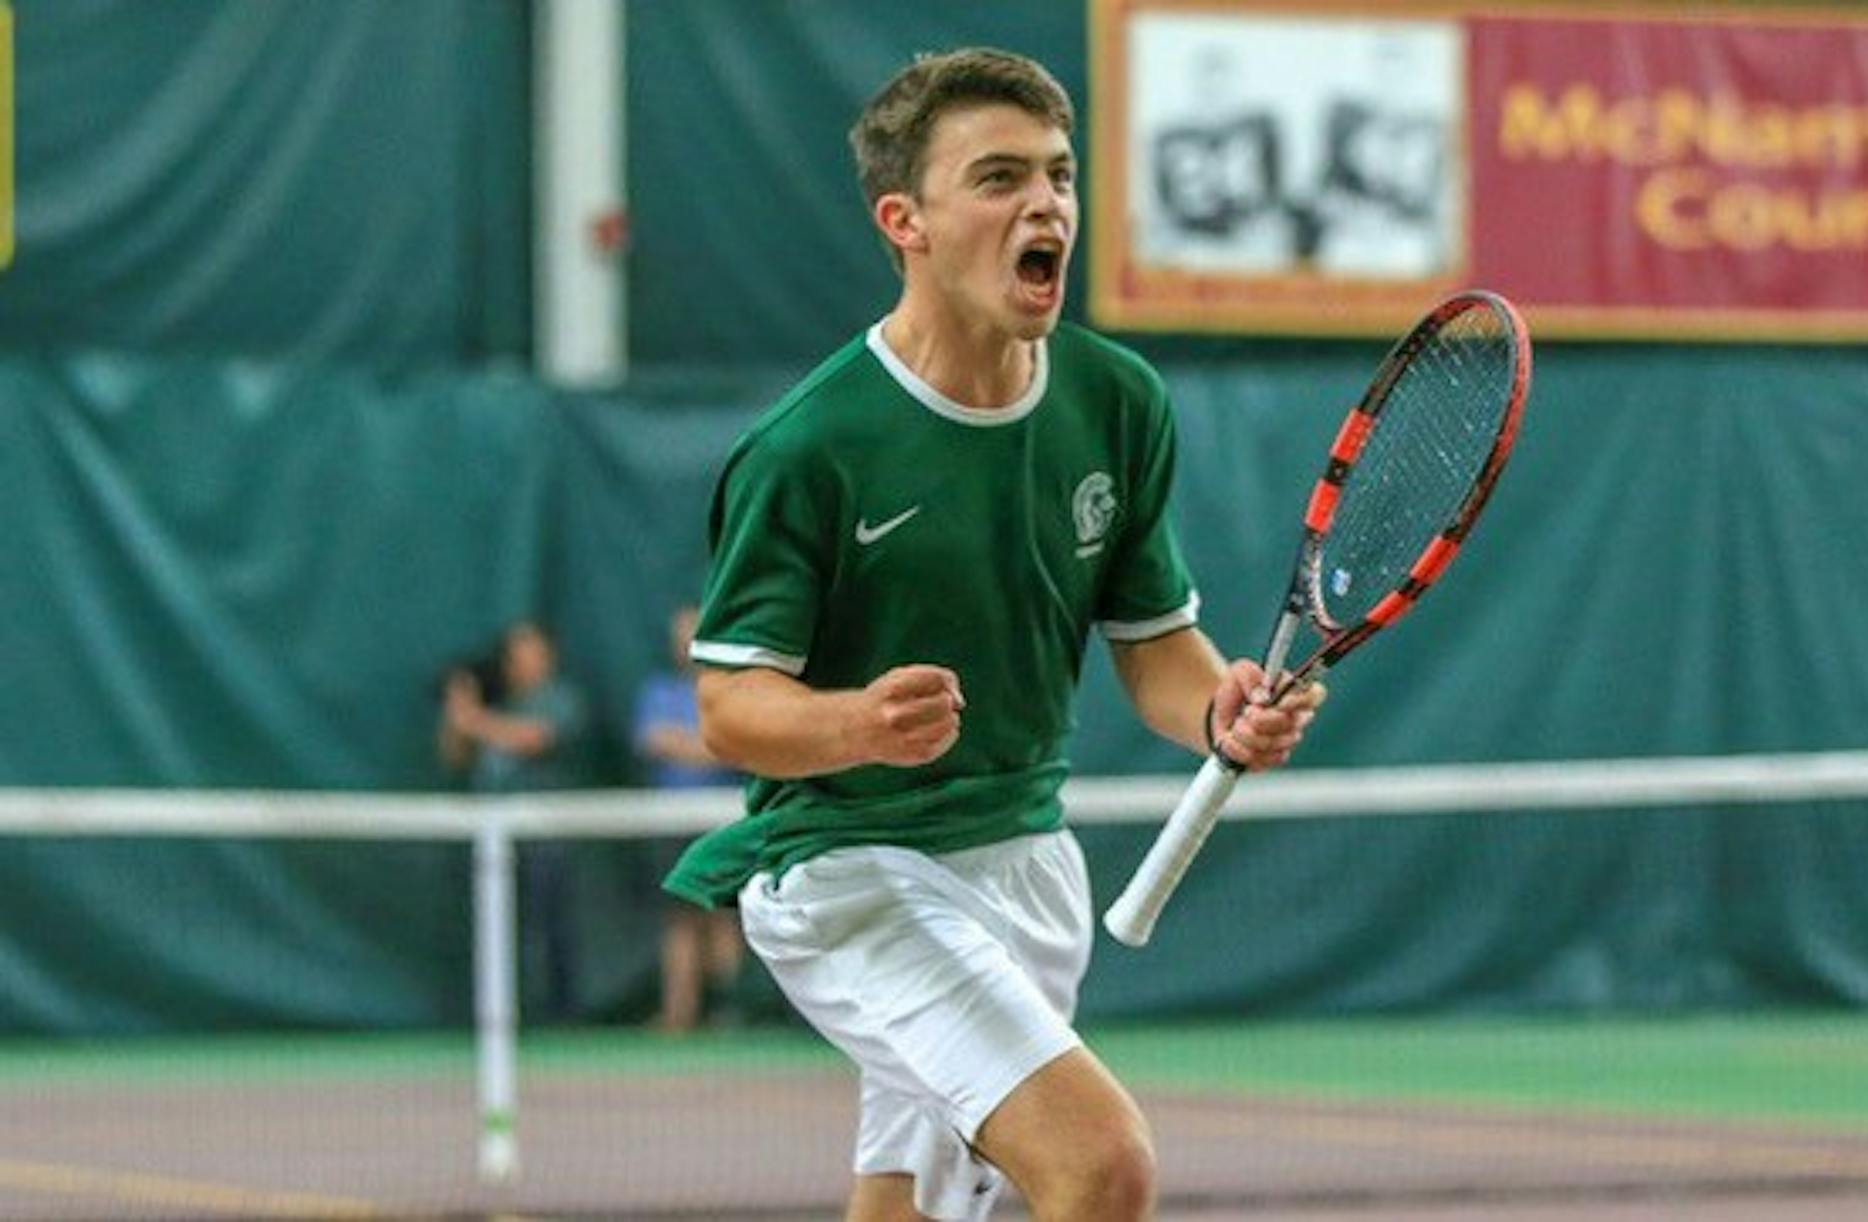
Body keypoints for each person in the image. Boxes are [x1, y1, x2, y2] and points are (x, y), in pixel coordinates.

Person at [662, 48, 1323, 1222]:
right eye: (1001, 177)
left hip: (1025, 864)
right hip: (853, 867)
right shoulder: (810, 447)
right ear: (903, 220)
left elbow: (1156, 646)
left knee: (907, 1208)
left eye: (1060, 177)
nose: (1046, 206)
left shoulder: (1116, 402)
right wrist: (854, 722)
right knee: (1099, 1164)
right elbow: (730, 707)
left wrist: (1220, 704)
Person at [440, 620, 592, 1024]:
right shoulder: (500, 706)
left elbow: (535, 739)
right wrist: (459, 711)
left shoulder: (561, 700)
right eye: (517, 655)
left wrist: (473, 719)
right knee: (497, 929)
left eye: (533, 652)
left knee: (548, 927)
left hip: (546, 837)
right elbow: (456, 756)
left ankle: (559, 1016)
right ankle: (501, 1015)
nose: (525, 662)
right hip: (491, 841)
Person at [634, 605, 747, 1033]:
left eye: (695, 636)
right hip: (671, 820)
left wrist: (702, 745)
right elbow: (653, 740)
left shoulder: (730, 691)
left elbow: (736, 746)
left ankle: (729, 1013)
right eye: (680, 638)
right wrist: (707, 744)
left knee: (722, 915)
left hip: (722, 819)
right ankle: (678, 1015)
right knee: (679, 919)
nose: (687, 646)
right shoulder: (658, 692)